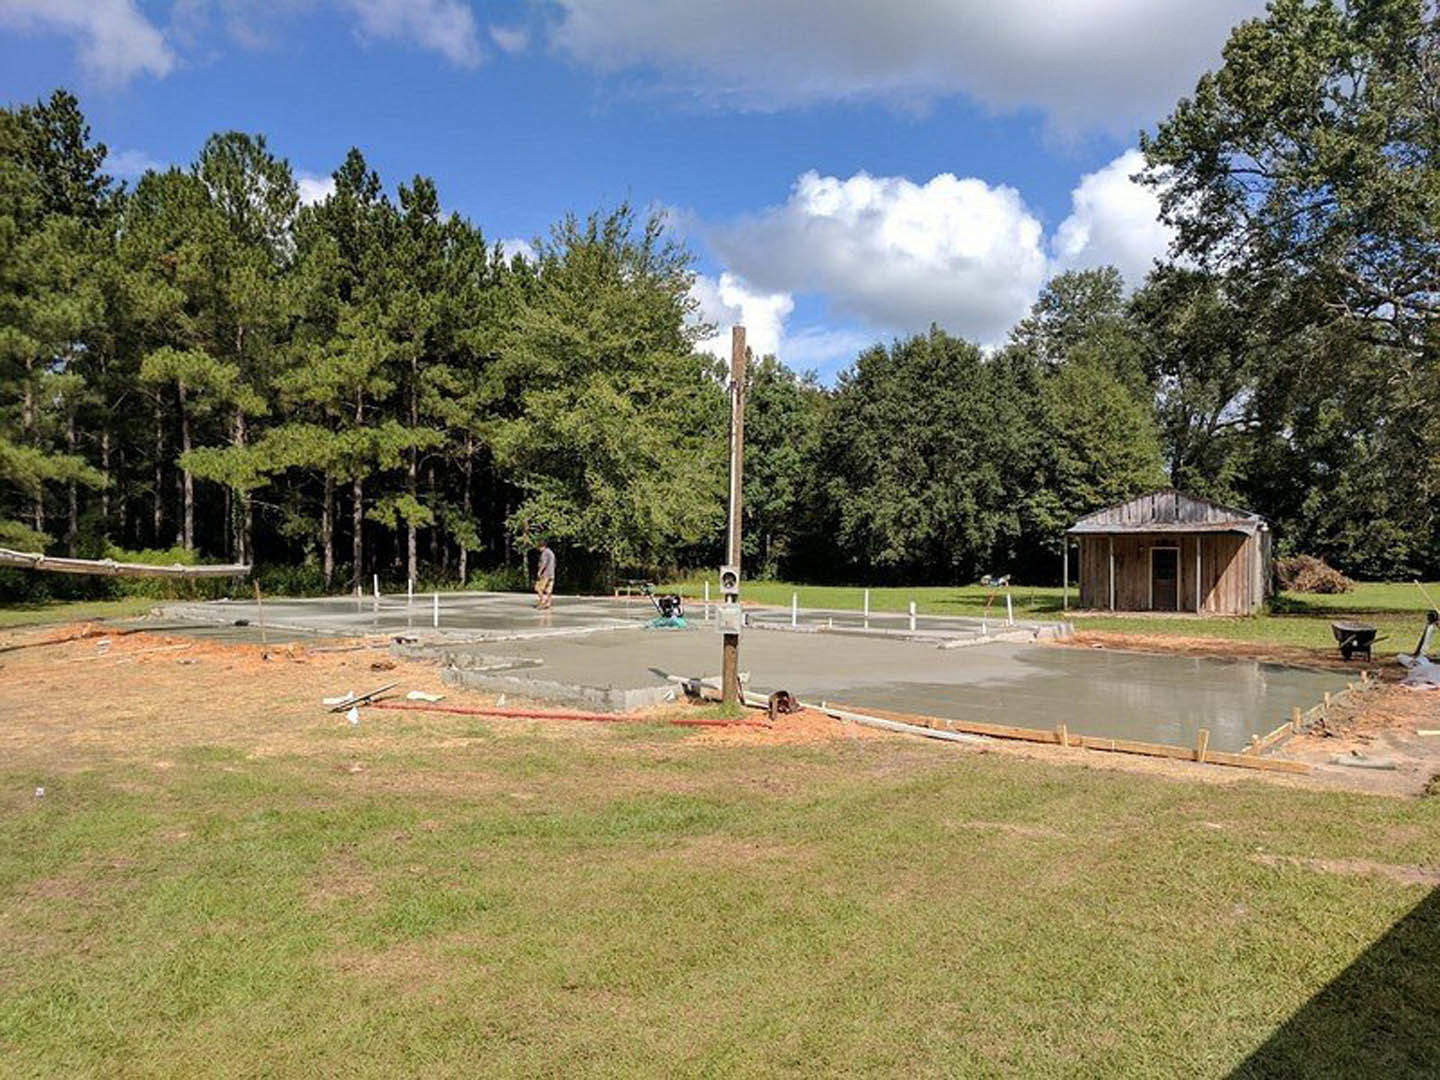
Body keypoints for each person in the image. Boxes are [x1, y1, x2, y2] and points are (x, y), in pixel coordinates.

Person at [534, 540, 556, 610]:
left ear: (542, 546)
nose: (539, 550)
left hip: (545, 574)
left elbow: (544, 563)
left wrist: (539, 572)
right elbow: (554, 563)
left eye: (539, 548)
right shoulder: (551, 553)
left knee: (538, 588)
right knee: (548, 590)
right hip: (552, 574)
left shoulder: (545, 553)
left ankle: (543, 601)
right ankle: (548, 604)